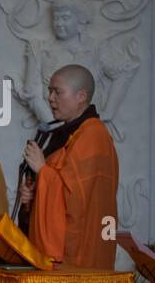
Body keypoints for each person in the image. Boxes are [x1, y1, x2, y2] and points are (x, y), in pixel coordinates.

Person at [18, 64, 118, 268]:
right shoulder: (63, 133)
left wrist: (42, 170)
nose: (50, 98)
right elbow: (60, 182)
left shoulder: (93, 135)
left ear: (81, 96)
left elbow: (76, 197)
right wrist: (33, 194)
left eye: (57, 91)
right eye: (49, 91)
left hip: (79, 253)